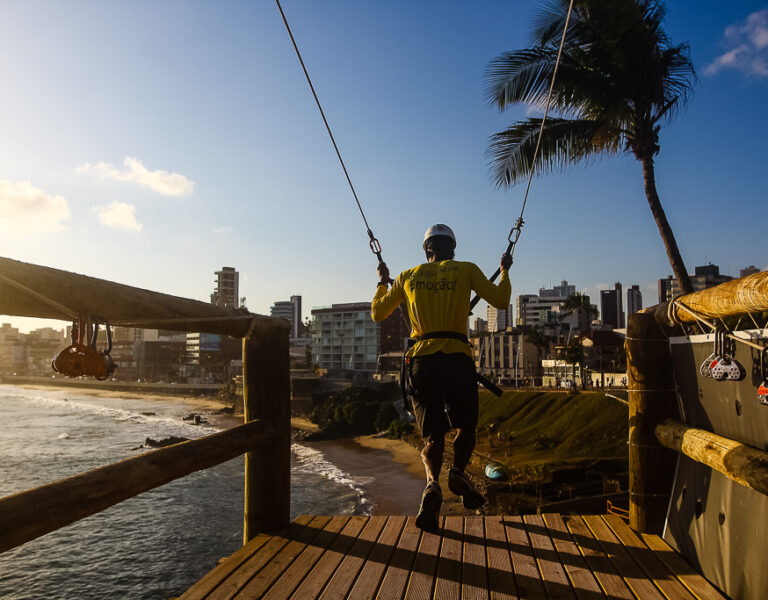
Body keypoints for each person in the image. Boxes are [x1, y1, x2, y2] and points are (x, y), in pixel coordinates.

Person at [371, 224, 512, 532]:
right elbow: (501, 300)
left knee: (433, 436)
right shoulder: (466, 270)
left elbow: (379, 313)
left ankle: (433, 484)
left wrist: (383, 282)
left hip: (423, 362)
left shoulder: (408, 276)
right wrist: (504, 270)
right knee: (466, 426)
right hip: (458, 359)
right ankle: (458, 470)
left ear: (427, 251)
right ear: (453, 250)